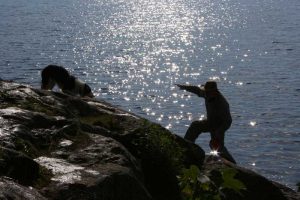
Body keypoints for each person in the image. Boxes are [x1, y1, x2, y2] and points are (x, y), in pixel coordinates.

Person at [176, 81, 236, 163]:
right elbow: (196, 90)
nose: (207, 94)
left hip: (220, 125)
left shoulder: (222, 103)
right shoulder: (206, 94)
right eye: (206, 91)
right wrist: (185, 87)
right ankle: (187, 147)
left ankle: (232, 163)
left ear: (215, 91)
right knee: (195, 126)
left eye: (208, 92)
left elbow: (228, 121)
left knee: (216, 145)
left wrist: (220, 131)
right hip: (210, 122)